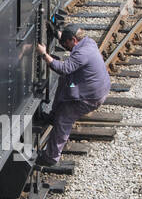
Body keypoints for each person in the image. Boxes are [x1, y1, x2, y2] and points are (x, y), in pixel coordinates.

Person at [36, 23, 111, 167]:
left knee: (64, 117)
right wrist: (59, 35)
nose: (65, 45)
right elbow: (71, 47)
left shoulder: (82, 54)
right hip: (96, 88)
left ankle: (51, 157)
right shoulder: (88, 42)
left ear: (73, 40)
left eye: (66, 42)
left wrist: (44, 54)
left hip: (90, 97)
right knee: (64, 82)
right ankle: (53, 115)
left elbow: (64, 68)